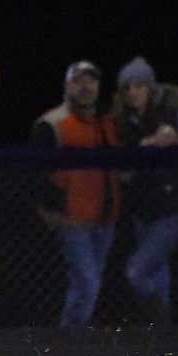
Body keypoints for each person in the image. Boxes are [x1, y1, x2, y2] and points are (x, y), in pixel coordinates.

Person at [112, 55, 178, 325]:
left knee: (136, 271)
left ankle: (161, 324)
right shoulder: (123, 122)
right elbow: (120, 168)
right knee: (157, 272)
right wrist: (139, 150)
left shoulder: (176, 115)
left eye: (138, 86)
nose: (133, 92)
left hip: (174, 206)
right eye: (127, 88)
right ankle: (165, 340)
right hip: (143, 208)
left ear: (150, 88)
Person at [29, 60, 121, 328]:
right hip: (71, 220)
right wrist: (48, 214)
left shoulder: (108, 122)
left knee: (89, 285)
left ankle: (74, 341)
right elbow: (36, 177)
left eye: (91, 80)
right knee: (87, 283)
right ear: (67, 85)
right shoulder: (52, 124)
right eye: (79, 80)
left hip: (105, 220)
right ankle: (70, 341)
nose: (86, 87)